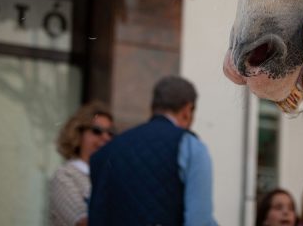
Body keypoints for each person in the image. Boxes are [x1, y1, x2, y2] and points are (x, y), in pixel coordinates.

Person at [88, 76, 217, 226]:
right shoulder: (191, 147)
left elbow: (98, 212)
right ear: (187, 111)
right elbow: (199, 220)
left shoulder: (109, 149)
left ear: (153, 107)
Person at [49, 102, 115, 226]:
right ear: (78, 134)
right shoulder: (65, 175)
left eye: (110, 133)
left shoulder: (111, 176)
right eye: (97, 131)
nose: (106, 137)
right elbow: (84, 223)